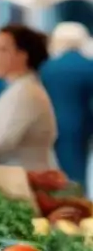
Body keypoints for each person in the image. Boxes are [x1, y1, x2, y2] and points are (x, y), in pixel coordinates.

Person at [0, 24, 58, 171]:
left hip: (28, 182)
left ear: (23, 55)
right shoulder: (19, 89)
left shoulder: (26, 93)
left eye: (2, 50)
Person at [41, 22, 93, 189]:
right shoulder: (89, 66)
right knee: (77, 173)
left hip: (49, 124)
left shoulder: (47, 67)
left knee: (53, 172)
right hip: (80, 126)